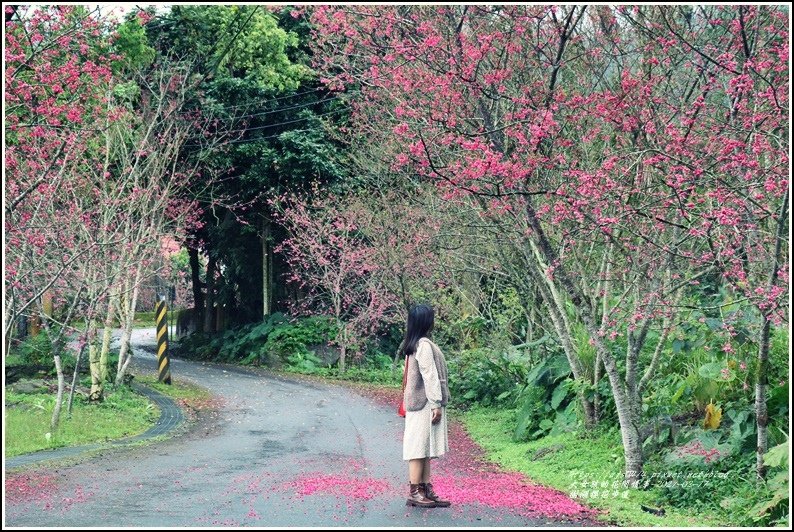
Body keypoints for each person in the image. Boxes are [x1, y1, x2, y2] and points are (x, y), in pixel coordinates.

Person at [401, 304, 451, 508]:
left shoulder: (417, 343)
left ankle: (425, 488)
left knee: (425, 448)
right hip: (425, 404)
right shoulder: (423, 345)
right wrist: (435, 403)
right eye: (431, 318)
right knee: (417, 448)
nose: (434, 321)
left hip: (422, 403)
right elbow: (429, 375)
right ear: (425, 322)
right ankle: (415, 491)